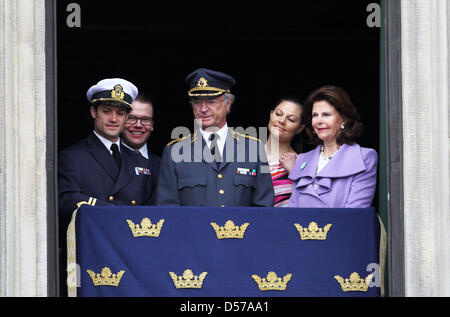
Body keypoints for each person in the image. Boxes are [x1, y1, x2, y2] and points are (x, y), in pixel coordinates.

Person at [156, 68, 274, 207]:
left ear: (228, 104)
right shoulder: (175, 151)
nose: (203, 108)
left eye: (211, 101)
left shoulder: (253, 148)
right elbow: (168, 210)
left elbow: (264, 207)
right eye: (197, 102)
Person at [58, 78, 153, 220]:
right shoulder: (72, 157)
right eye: (107, 111)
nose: (114, 119)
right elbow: (65, 202)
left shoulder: (138, 160)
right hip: (94, 238)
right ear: (93, 112)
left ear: (127, 117)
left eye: (120, 113)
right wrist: (110, 211)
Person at [288, 85, 378, 208]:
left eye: (326, 114)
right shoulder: (302, 160)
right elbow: (293, 212)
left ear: (344, 119)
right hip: (301, 227)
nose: (318, 121)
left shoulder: (364, 157)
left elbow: (355, 213)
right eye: (315, 115)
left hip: (342, 227)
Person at [264, 96, 305, 207]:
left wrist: (294, 172)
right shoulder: (245, 156)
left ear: (300, 128)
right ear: (271, 114)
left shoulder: (302, 164)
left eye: (291, 119)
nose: (281, 121)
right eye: (278, 114)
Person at [121, 93, 160, 205]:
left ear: (152, 125)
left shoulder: (162, 165)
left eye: (145, 119)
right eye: (131, 118)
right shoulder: (109, 158)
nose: (138, 125)